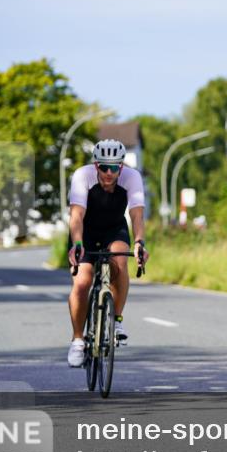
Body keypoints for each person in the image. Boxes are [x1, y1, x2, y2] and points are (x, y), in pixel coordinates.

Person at [66, 139, 149, 367]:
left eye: (114, 167)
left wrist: (140, 242)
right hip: (86, 231)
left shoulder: (132, 178)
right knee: (82, 282)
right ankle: (78, 340)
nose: (109, 173)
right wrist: (78, 243)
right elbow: (76, 216)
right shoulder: (82, 176)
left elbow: (136, 216)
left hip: (114, 228)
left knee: (120, 260)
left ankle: (117, 320)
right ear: (96, 165)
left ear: (121, 167)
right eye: (104, 167)